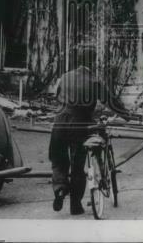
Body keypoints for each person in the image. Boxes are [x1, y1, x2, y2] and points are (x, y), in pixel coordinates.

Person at [48, 46, 110, 215]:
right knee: (77, 165)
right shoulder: (95, 81)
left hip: (60, 122)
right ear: (93, 62)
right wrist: (127, 115)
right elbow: (110, 102)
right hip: (80, 124)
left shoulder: (65, 77)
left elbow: (55, 95)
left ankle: (60, 188)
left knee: (58, 159)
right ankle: (75, 205)